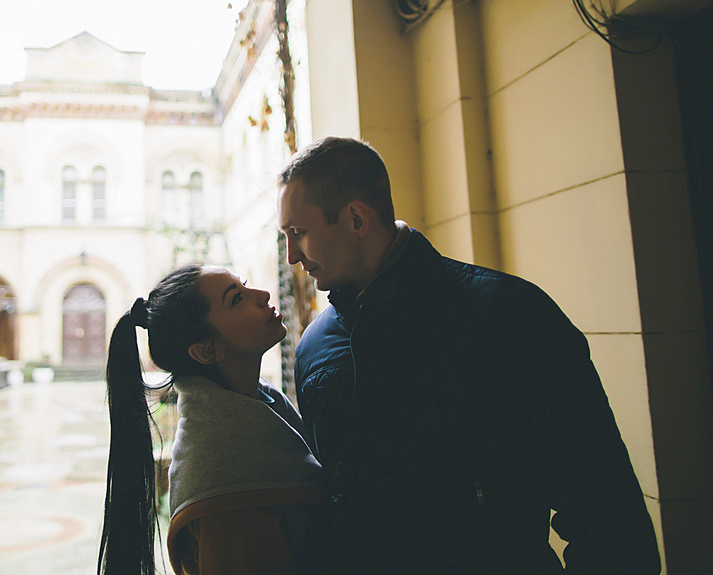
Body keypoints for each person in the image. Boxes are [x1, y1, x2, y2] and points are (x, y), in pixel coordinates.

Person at [277, 136, 661, 574]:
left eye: (298, 233)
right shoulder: (313, 348)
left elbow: (605, 507)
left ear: (356, 218)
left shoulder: (508, 315)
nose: (291, 256)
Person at [97, 264, 323, 575]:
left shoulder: (260, 402)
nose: (263, 295)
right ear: (206, 350)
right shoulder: (227, 485)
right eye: (237, 299)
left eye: (244, 286)